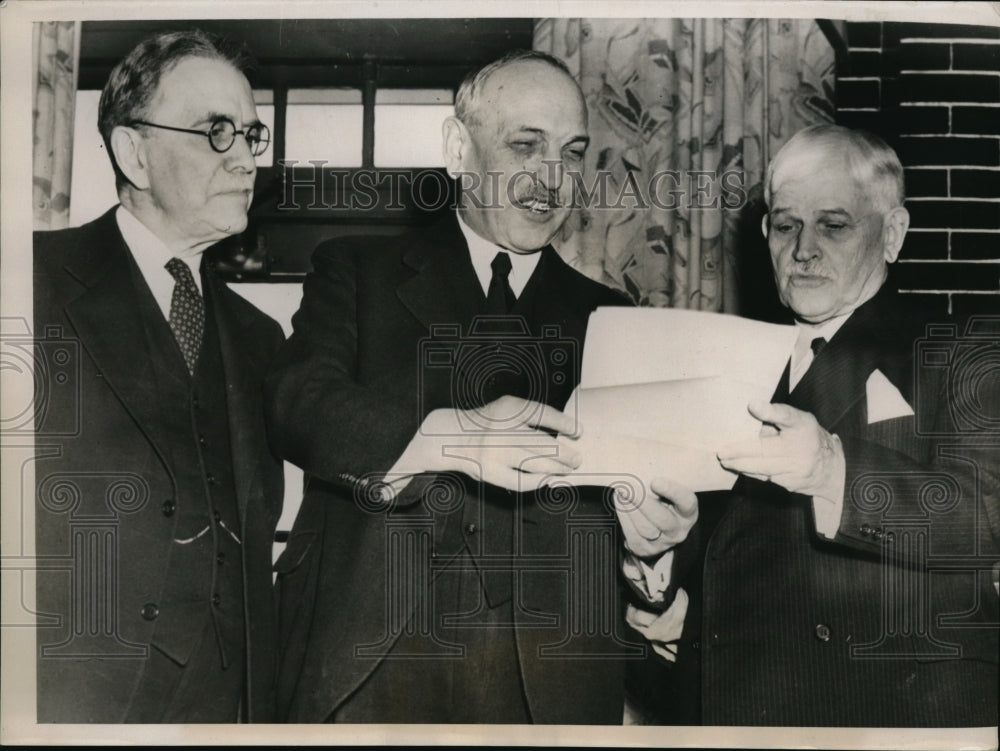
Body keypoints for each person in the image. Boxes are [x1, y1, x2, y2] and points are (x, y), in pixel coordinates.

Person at [265, 49, 697, 724]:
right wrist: (448, 436)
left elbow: (634, 516)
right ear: (458, 148)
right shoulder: (354, 268)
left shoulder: (614, 320)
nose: (553, 177)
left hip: (549, 688)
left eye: (573, 153)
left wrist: (653, 551)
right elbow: (298, 399)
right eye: (526, 145)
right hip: (367, 664)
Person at [626, 124, 1000, 727]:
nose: (803, 249)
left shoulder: (962, 348)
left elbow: (985, 518)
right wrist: (666, 561)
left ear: (893, 234)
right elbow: (735, 554)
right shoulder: (733, 359)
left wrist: (832, 471)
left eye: (833, 224)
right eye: (785, 224)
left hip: (886, 716)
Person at [33, 30, 284, 723]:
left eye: (252, 135)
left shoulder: (260, 338)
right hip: (71, 694)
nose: (244, 159)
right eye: (216, 132)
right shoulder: (29, 280)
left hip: (227, 699)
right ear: (133, 153)